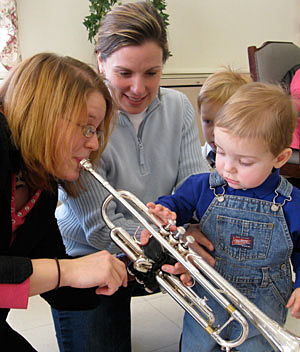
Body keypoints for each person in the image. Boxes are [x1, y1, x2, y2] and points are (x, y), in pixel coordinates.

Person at [53, 1, 210, 351]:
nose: (139, 88)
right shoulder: (83, 119)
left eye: (151, 73)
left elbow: (194, 189)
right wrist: (169, 241)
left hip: (158, 244)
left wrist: (188, 232)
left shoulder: (179, 108)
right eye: (125, 74)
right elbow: (99, 227)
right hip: (90, 255)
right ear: (100, 61)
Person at [146, 82, 300, 351]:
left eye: (245, 162)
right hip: (206, 296)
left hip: (262, 304)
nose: (228, 167)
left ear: (280, 157)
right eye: (221, 151)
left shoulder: (292, 202)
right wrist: (165, 211)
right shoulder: (203, 186)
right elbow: (176, 203)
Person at [0, 52, 129, 350]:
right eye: (87, 127)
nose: (95, 143)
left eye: (96, 131)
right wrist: (66, 271)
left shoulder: (40, 188)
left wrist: (126, 267)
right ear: (44, 113)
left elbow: (60, 288)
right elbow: (59, 272)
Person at [199, 68, 251, 169]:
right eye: (208, 121)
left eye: (224, 123)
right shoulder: (196, 159)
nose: (215, 132)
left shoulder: (251, 163)